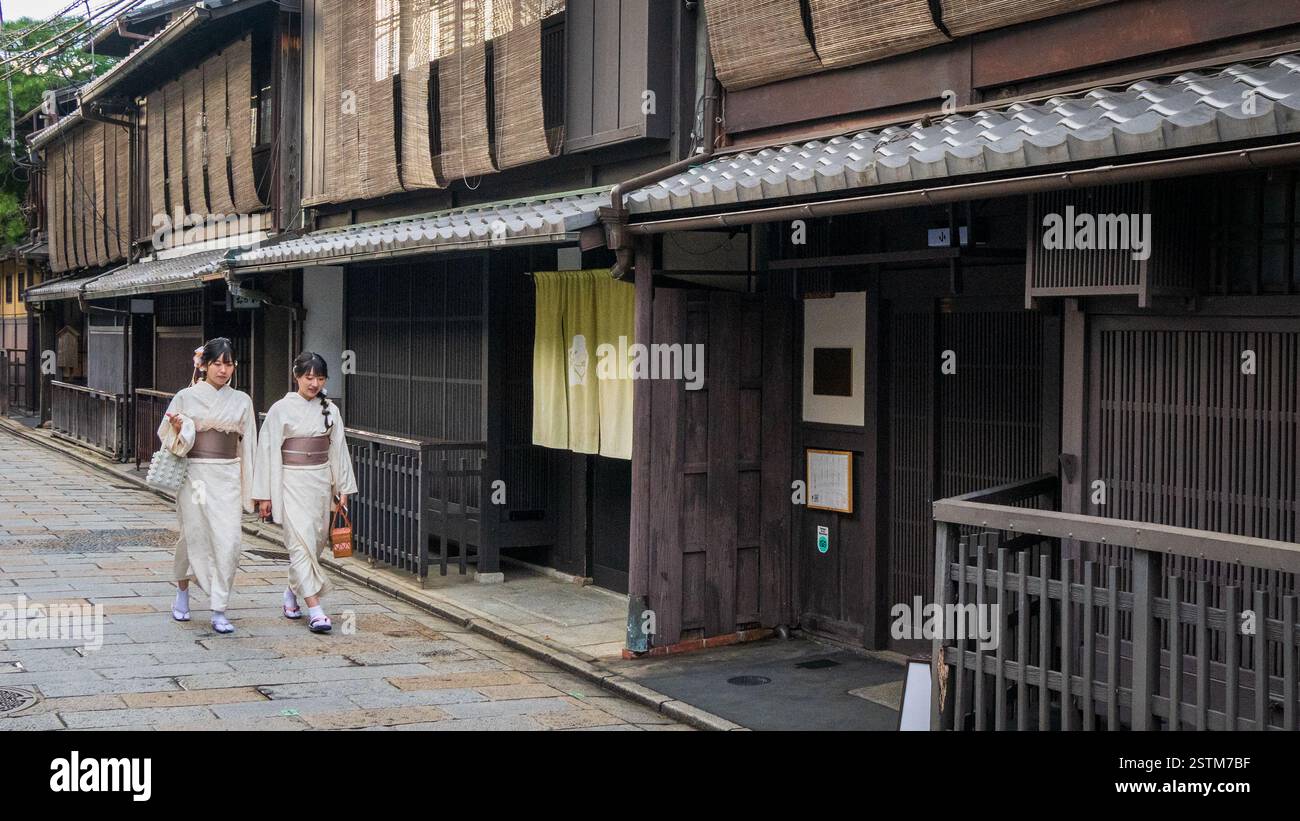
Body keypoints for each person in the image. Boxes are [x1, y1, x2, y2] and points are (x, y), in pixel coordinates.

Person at [252, 352, 357, 634]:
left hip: (320, 482)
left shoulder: (330, 410)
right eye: (309, 377)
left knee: (315, 544)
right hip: (290, 481)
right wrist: (265, 495)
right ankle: (315, 609)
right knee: (299, 543)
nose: (314, 384)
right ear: (296, 376)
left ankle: (290, 592)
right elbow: (267, 452)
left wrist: (342, 487)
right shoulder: (280, 409)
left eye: (320, 378)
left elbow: (338, 451)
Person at [159, 337, 257, 635]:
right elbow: (165, 434)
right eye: (217, 363)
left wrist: (252, 487)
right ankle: (183, 591)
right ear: (204, 365)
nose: (224, 370)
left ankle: (219, 607)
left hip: (227, 474)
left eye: (229, 364)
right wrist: (180, 429)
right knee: (195, 534)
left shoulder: (242, 400)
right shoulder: (186, 397)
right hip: (196, 475)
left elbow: (248, 445)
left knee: (229, 540)